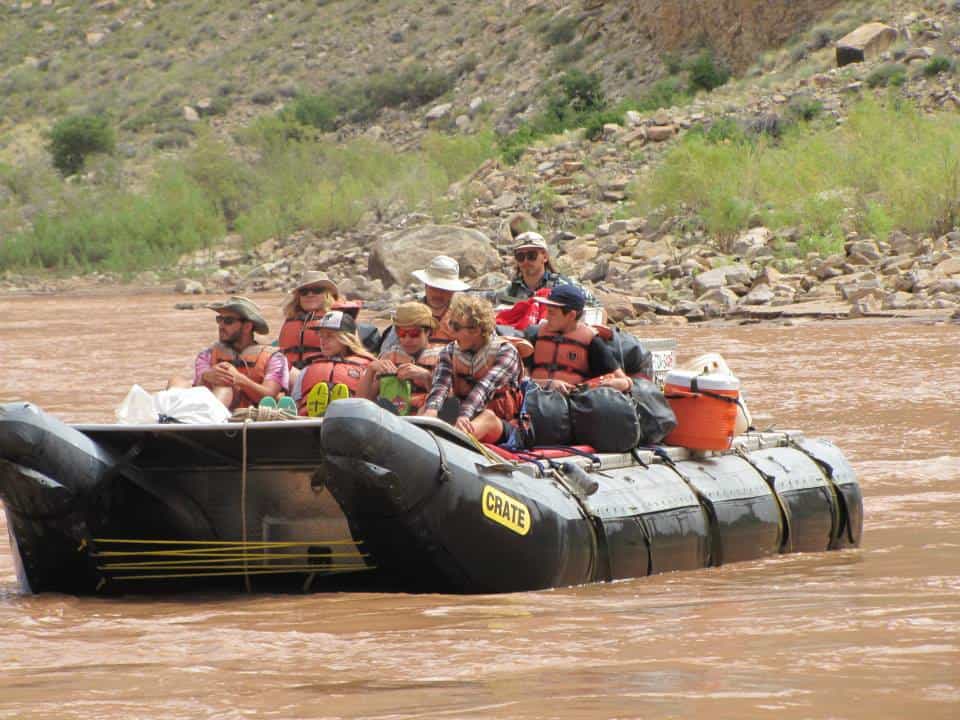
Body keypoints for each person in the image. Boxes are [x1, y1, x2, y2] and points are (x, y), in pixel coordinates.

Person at [422, 295, 522, 443]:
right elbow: (441, 384)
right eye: (450, 324)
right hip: (463, 418)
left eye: (456, 327)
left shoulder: (506, 352)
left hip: (503, 425)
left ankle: (451, 444)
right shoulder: (449, 352)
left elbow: (484, 388)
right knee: (426, 407)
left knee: (487, 417)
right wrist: (431, 410)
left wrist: (464, 415)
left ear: (475, 330)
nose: (451, 332)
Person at [170, 296, 288, 410]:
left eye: (228, 321)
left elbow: (270, 395)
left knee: (224, 387)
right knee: (176, 381)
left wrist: (239, 379)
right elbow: (197, 387)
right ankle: (170, 419)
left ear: (247, 327)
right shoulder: (206, 355)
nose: (221, 326)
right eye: (219, 319)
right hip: (205, 412)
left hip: (248, 416)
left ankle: (209, 420)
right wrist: (206, 377)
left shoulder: (275, 358)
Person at [525, 285, 631, 394]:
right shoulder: (535, 335)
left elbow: (625, 381)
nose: (547, 317)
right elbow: (522, 379)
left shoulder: (591, 341)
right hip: (535, 396)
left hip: (573, 400)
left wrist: (606, 385)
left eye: (552, 313)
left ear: (571, 315)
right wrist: (547, 384)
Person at [358, 302, 441, 414]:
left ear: (428, 332)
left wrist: (427, 377)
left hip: (425, 418)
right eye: (401, 333)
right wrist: (371, 370)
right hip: (392, 417)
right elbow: (363, 401)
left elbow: (449, 399)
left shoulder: (442, 357)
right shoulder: (390, 355)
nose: (407, 339)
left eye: (414, 333)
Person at [291, 310, 375, 416]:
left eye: (330, 336)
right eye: (321, 336)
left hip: (352, 420)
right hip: (310, 423)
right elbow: (297, 404)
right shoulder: (307, 370)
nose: (323, 341)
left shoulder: (367, 368)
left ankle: (339, 407)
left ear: (346, 338)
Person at [380, 255, 469, 351]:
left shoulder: (462, 317)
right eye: (434, 287)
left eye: (444, 289)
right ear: (426, 285)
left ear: (453, 291)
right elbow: (386, 350)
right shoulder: (408, 313)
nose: (438, 294)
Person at [497, 231, 600, 308]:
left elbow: (596, 306)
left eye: (531, 255)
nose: (526, 261)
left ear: (545, 256)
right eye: (520, 256)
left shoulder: (563, 285)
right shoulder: (511, 291)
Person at [278, 271, 340, 370]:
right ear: (299, 297)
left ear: (327, 294)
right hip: (288, 373)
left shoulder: (338, 318)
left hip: (322, 372)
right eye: (304, 292)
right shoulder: (291, 318)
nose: (310, 294)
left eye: (317, 290)